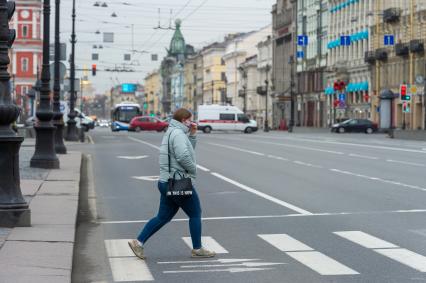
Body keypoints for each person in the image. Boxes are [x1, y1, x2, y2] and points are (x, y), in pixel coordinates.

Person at [128, 108, 216, 259]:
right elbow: (183, 156)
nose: (191, 122)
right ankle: (197, 248)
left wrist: (193, 135)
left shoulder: (172, 132)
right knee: (195, 213)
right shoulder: (178, 134)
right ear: (184, 120)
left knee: (163, 217)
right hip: (178, 181)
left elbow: (188, 150)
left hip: (166, 182)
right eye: (189, 120)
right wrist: (193, 169)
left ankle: (138, 242)